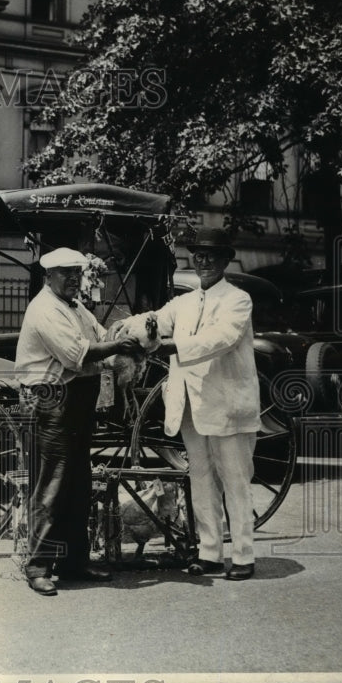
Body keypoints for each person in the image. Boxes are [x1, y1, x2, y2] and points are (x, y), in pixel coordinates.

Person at [111, 227, 262, 580]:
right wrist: (125, 329)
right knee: (201, 478)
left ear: (226, 259)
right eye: (198, 255)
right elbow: (156, 321)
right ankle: (210, 552)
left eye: (211, 255)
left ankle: (243, 555)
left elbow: (221, 339)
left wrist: (171, 346)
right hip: (191, 405)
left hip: (227, 406)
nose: (204, 261)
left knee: (236, 480)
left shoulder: (238, 300)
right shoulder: (185, 302)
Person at [16, 247, 143, 596]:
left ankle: (74, 561)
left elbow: (100, 335)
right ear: (49, 276)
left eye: (77, 272)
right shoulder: (45, 309)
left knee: (77, 484)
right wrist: (120, 345)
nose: (74, 279)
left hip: (76, 403)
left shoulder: (75, 306)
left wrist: (125, 334)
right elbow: (78, 355)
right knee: (53, 485)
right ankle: (38, 565)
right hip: (51, 402)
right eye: (66, 273)